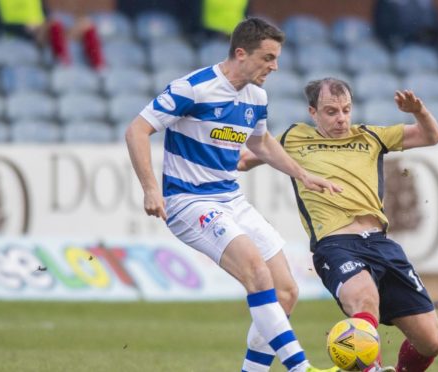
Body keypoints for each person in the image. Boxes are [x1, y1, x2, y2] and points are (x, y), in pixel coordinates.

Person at [125, 17, 342, 372]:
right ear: (241, 53)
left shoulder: (257, 96)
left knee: (286, 291)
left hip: (232, 200)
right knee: (256, 273)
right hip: (188, 201)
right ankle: (302, 369)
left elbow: (261, 142)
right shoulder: (192, 88)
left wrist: (303, 174)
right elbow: (136, 130)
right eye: (268, 58)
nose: (275, 66)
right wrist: (151, 188)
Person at [239, 78, 438, 372]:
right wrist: (237, 162)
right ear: (313, 113)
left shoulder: (371, 136)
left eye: (346, 110)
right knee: (365, 298)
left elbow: (432, 136)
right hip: (336, 245)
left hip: (381, 243)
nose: (341, 118)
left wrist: (419, 111)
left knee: (431, 341)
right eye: (331, 111)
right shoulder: (294, 137)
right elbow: (252, 155)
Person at [0, 0, 104, 69]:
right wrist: (24, 27)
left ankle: (99, 66)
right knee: (54, 25)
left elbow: (46, 14)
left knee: (86, 24)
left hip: (43, 30)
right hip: (23, 35)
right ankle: (62, 62)